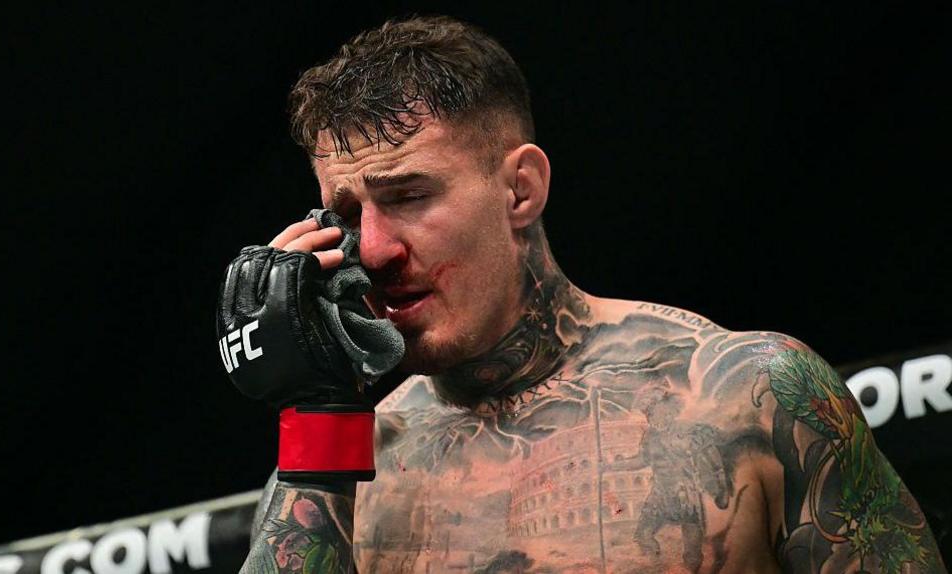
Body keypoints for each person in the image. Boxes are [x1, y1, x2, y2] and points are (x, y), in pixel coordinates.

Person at [226, 15, 945, 574]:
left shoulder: (743, 397)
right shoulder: (343, 465)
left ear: (520, 189)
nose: (376, 249)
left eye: (409, 195)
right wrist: (318, 414)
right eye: (347, 215)